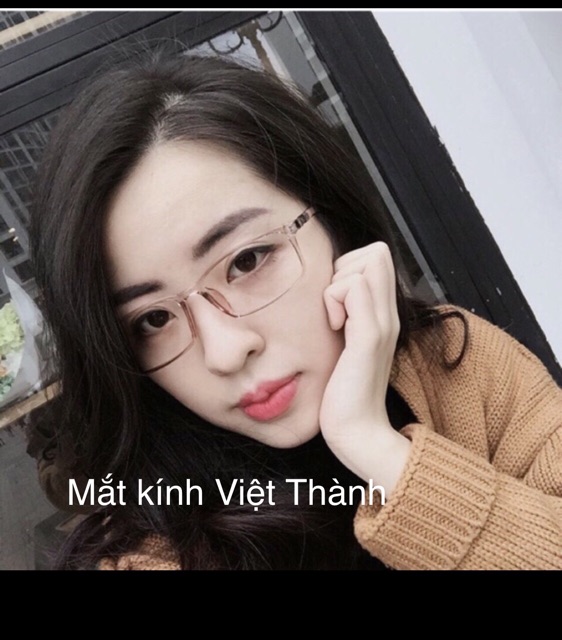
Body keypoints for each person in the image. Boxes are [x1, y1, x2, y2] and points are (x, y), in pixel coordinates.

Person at [29, 49, 562, 570]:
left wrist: (376, 450)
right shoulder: (149, 549)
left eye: (247, 260)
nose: (225, 352)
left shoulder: (459, 364)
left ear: (331, 217)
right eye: (154, 319)